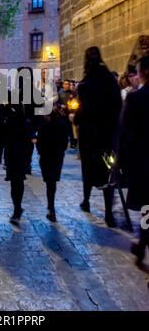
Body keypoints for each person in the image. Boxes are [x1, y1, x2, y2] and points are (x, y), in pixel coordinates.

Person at [74, 46, 122, 227]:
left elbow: (81, 110)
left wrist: (76, 118)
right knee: (108, 170)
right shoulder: (110, 79)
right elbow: (117, 105)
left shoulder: (85, 84)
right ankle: (109, 213)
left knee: (87, 168)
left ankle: (86, 201)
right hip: (107, 137)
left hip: (89, 137)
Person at [118, 55, 149, 264]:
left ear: (143, 73)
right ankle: (142, 243)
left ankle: (142, 243)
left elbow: (125, 132)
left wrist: (120, 162)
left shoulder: (136, 99)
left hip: (145, 162)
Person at [36, 105, 69, 222]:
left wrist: (41, 151)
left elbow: (39, 144)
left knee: (49, 182)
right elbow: (65, 143)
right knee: (52, 182)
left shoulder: (43, 127)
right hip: (58, 156)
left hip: (46, 157)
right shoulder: (62, 126)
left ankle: (51, 206)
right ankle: (51, 206)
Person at [4, 102, 34, 223]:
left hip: (14, 156)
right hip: (18, 156)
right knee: (17, 182)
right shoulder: (24, 123)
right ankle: (17, 207)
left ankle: (17, 208)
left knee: (15, 183)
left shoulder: (11, 123)